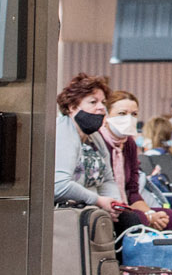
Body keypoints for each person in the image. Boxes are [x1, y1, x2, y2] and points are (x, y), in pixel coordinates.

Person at [54, 74, 132, 222]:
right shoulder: (62, 132)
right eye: (93, 102)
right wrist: (98, 200)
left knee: (128, 218)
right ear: (72, 107)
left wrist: (115, 204)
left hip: (91, 209)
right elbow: (59, 185)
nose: (101, 107)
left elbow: (107, 180)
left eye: (103, 102)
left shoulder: (95, 137)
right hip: (67, 213)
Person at [104, 90, 170, 229]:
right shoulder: (98, 141)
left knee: (168, 217)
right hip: (106, 206)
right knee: (134, 218)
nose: (129, 119)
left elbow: (133, 191)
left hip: (127, 204)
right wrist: (147, 217)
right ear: (107, 114)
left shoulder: (129, 144)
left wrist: (150, 214)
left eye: (134, 114)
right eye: (122, 113)